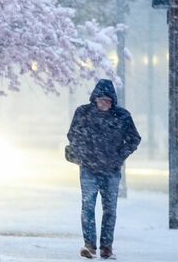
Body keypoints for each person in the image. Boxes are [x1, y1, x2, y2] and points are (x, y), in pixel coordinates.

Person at [66, 79, 141, 259]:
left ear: (112, 101)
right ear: (95, 99)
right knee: (88, 207)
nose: (103, 103)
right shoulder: (83, 113)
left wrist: (118, 156)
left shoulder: (122, 116)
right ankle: (90, 245)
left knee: (110, 210)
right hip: (89, 169)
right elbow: (73, 135)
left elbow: (134, 138)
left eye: (107, 100)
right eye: (100, 99)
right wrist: (83, 153)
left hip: (111, 170)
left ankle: (106, 247)